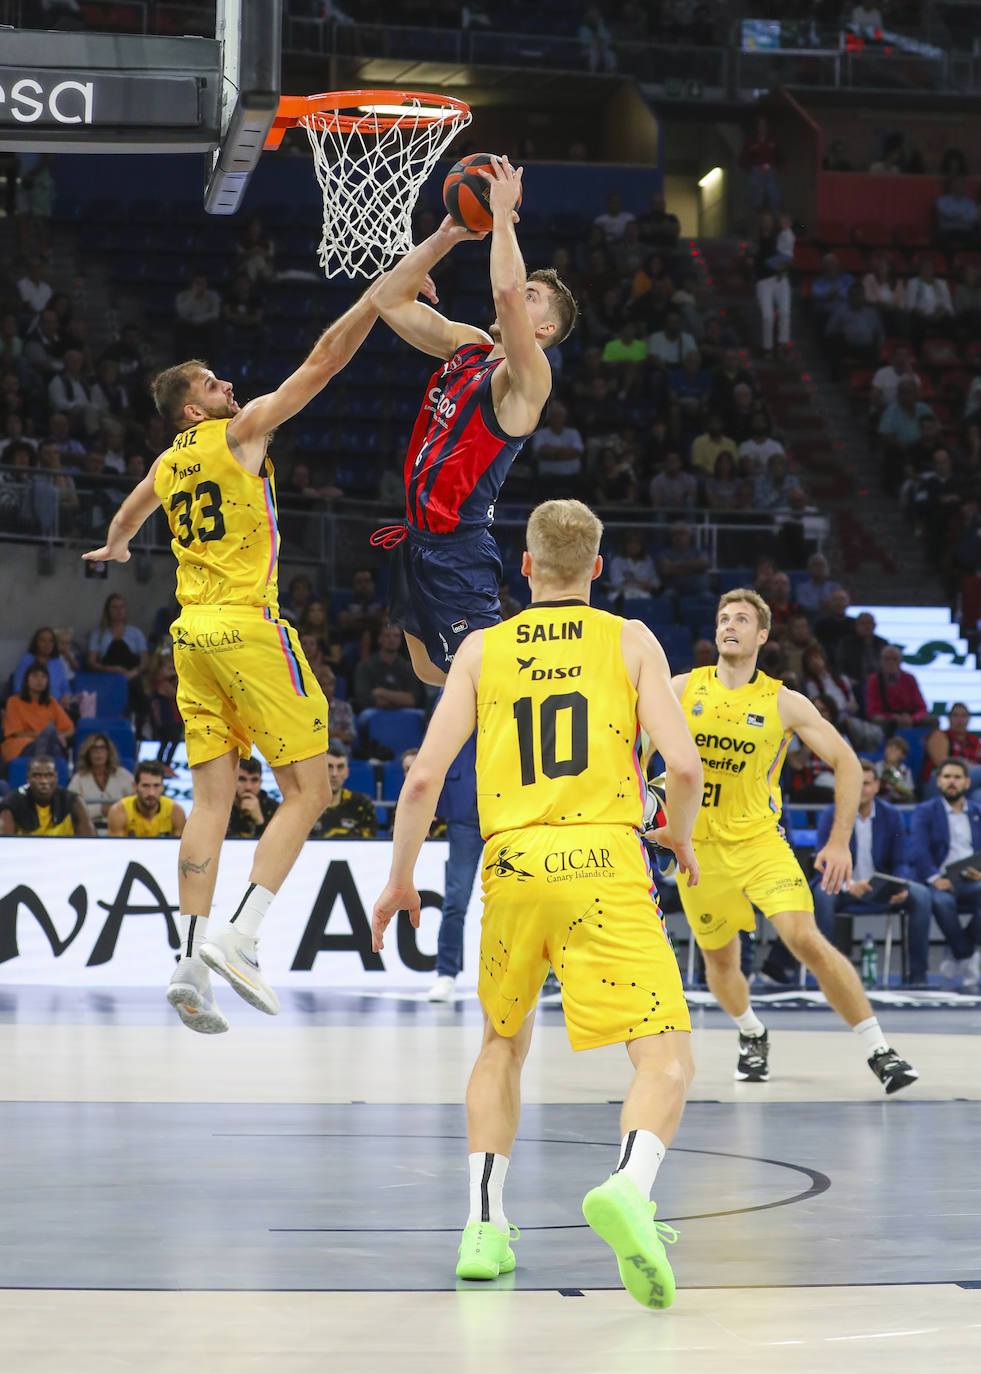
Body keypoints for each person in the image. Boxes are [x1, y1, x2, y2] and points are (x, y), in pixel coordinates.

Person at [371, 498, 703, 1308]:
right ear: (596, 567)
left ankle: (483, 1228)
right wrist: (681, 837)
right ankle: (628, 1185)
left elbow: (421, 778)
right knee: (662, 1056)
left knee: (501, 1044)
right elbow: (684, 767)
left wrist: (400, 878)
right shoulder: (630, 640)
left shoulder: (482, 648)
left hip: (512, 862)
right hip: (604, 858)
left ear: (522, 567)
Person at [83, 272, 392, 1035]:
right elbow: (320, 363)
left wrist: (118, 546)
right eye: (213, 383)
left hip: (188, 638)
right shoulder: (240, 433)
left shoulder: (166, 465)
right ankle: (241, 936)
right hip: (247, 628)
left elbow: (130, 512)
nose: (229, 385)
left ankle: (189, 958)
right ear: (195, 409)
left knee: (214, 802)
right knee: (312, 791)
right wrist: (371, 307)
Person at [671, 588, 918, 1094]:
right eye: (722, 618)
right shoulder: (679, 688)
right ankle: (751, 1032)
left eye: (741, 619)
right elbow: (627, 743)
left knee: (804, 937)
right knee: (721, 961)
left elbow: (848, 762)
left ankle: (880, 1050)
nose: (729, 625)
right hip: (698, 851)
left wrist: (839, 841)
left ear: (762, 635)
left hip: (761, 844)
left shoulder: (784, 701)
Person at [372, 155, 576, 685]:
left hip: (456, 548)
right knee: (427, 670)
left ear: (546, 328)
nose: (518, 295)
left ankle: (565, 706)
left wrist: (503, 218)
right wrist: (444, 238)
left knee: (489, 680)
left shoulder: (528, 377)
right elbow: (387, 300)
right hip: (416, 538)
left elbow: (506, 294)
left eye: (534, 298)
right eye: (524, 288)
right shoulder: (469, 346)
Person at [812, 759, 933, 986]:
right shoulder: (832, 814)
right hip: (843, 887)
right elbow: (824, 861)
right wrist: (849, 885)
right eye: (855, 783)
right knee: (822, 894)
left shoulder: (892, 815)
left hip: (882, 887)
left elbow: (900, 861)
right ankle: (828, 976)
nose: (860, 789)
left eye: (866, 783)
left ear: (877, 786)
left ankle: (918, 976)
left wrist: (899, 885)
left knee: (921, 895)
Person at [909, 759, 981, 988]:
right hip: (940, 879)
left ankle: (960, 952)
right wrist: (935, 878)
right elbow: (919, 850)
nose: (952, 782)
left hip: (972, 878)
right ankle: (967, 954)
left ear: (967, 782)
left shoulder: (978, 811)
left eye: (957, 777)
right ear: (939, 781)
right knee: (940, 901)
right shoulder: (925, 811)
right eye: (947, 777)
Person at [427, 731, 483, 1001]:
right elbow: (436, 743)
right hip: (465, 808)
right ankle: (445, 974)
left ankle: (539, 974)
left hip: (514, 805)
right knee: (456, 898)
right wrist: (429, 800)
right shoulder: (457, 687)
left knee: (525, 897)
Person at [0, 754, 94, 836]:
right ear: (28, 778)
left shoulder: (73, 801)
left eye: (49, 775)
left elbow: (89, 843)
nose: (44, 781)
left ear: (56, 777)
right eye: (37, 775)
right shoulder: (12, 803)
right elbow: (5, 844)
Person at [1, 661, 74, 764]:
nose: (40, 679)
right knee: (52, 743)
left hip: (48, 744)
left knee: (53, 745)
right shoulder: (13, 701)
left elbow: (70, 729)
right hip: (21, 745)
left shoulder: (51, 702)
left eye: (43, 676)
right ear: (27, 680)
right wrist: (44, 736)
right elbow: (18, 733)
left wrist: (58, 736)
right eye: (35, 676)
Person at [68, 731, 135, 834]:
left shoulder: (123, 775)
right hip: (88, 831)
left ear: (108, 752)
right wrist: (100, 809)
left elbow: (136, 802)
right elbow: (72, 811)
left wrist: (116, 811)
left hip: (120, 830)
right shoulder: (79, 779)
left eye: (102, 748)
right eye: (94, 749)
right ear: (88, 753)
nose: (98, 753)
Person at [107, 760, 186, 838]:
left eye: (156, 785)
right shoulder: (119, 811)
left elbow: (181, 848)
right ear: (135, 786)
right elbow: (116, 849)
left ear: (162, 787)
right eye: (145, 786)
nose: (151, 793)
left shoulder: (176, 811)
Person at [312, 747, 378, 839]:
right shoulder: (306, 806)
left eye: (340, 767)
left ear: (346, 772)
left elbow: (371, 845)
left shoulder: (362, 805)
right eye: (329, 766)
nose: (334, 774)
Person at [864, 645, 933, 731]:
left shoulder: (909, 679)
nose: (891, 662)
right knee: (878, 721)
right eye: (887, 659)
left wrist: (913, 718)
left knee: (932, 720)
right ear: (881, 662)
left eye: (894, 659)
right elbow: (872, 711)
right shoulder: (874, 680)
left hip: (909, 717)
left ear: (901, 661)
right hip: (887, 719)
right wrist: (894, 718)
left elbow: (922, 708)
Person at [11, 625, 73, 707]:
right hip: (33, 706)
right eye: (43, 640)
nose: (47, 644)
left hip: (57, 706)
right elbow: (18, 688)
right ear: (36, 643)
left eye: (51, 641)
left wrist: (66, 696)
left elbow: (65, 686)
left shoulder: (57, 661)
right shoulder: (27, 660)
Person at [924, 702, 981, 786]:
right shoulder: (940, 735)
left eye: (964, 716)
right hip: (939, 781)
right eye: (955, 715)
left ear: (969, 719)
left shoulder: (973, 739)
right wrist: (965, 764)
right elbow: (941, 762)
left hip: (967, 784)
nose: (960, 720)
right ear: (949, 718)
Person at [226, 754, 280, 838]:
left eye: (254, 780)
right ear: (232, 780)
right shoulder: (222, 806)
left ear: (260, 782)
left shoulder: (274, 808)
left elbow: (279, 842)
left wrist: (260, 821)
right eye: (242, 779)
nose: (248, 787)